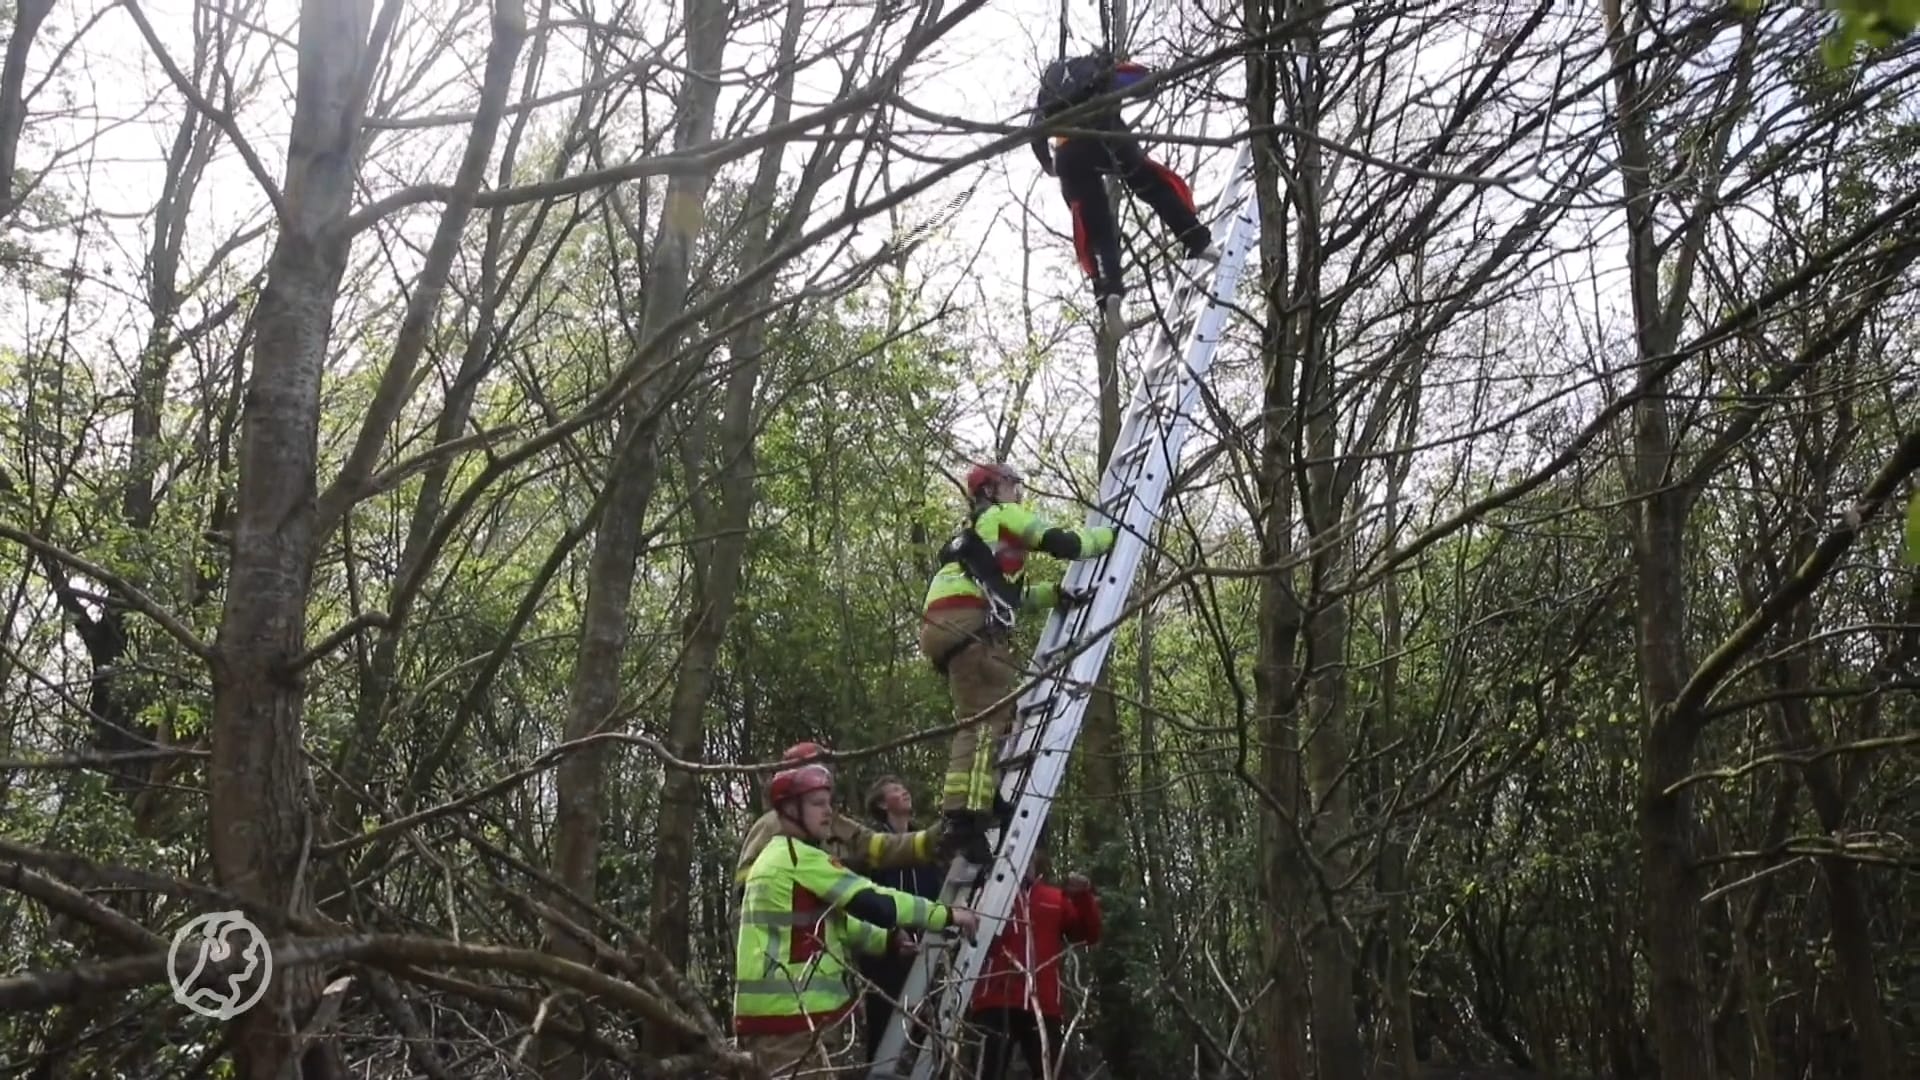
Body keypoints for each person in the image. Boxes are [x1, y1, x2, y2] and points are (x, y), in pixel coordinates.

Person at [919, 462, 1115, 862]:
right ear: (991, 491)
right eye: (1010, 484)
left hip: (942, 623)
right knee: (983, 721)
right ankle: (963, 817)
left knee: (988, 718)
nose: (1018, 492)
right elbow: (1064, 543)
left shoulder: (975, 537)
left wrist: (1053, 596)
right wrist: (1113, 536)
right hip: (968, 624)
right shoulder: (1005, 516)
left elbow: (1007, 594)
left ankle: (981, 800)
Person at [733, 763, 980, 1075]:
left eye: (829, 803)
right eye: (817, 804)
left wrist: (887, 939)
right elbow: (875, 901)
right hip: (793, 1023)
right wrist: (946, 915)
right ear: (790, 811)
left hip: (785, 1022)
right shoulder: (796, 858)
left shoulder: (782, 857)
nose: (828, 813)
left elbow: (831, 923)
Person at [1028, 48, 1221, 327]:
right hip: (1108, 134)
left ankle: (1110, 293)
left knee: (1098, 228)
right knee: (1152, 185)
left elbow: (1035, 136)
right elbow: (1142, 84)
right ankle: (1197, 240)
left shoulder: (1049, 93)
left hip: (1068, 153)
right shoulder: (1097, 70)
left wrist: (1051, 166)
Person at [967, 840, 1103, 1079]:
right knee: (987, 1072)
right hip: (995, 1002)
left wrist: (1083, 896)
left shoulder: (1054, 898)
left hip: (1043, 1005)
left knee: (1056, 1073)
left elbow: (1088, 935)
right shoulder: (988, 892)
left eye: (1030, 856)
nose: (1025, 862)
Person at [735, 742, 944, 888]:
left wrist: (934, 838)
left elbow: (879, 847)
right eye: (818, 771)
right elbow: (746, 889)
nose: (826, 779)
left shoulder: (835, 823)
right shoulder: (771, 825)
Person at [856, 776, 948, 1059]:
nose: (905, 790)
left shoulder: (927, 846)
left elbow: (938, 891)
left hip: (926, 950)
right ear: (882, 804)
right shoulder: (872, 847)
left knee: (931, 1033)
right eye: (895, 790)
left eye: (903, 786)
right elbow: (866, 900)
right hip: (885, 955)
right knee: (885, 1029)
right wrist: (893, 934)